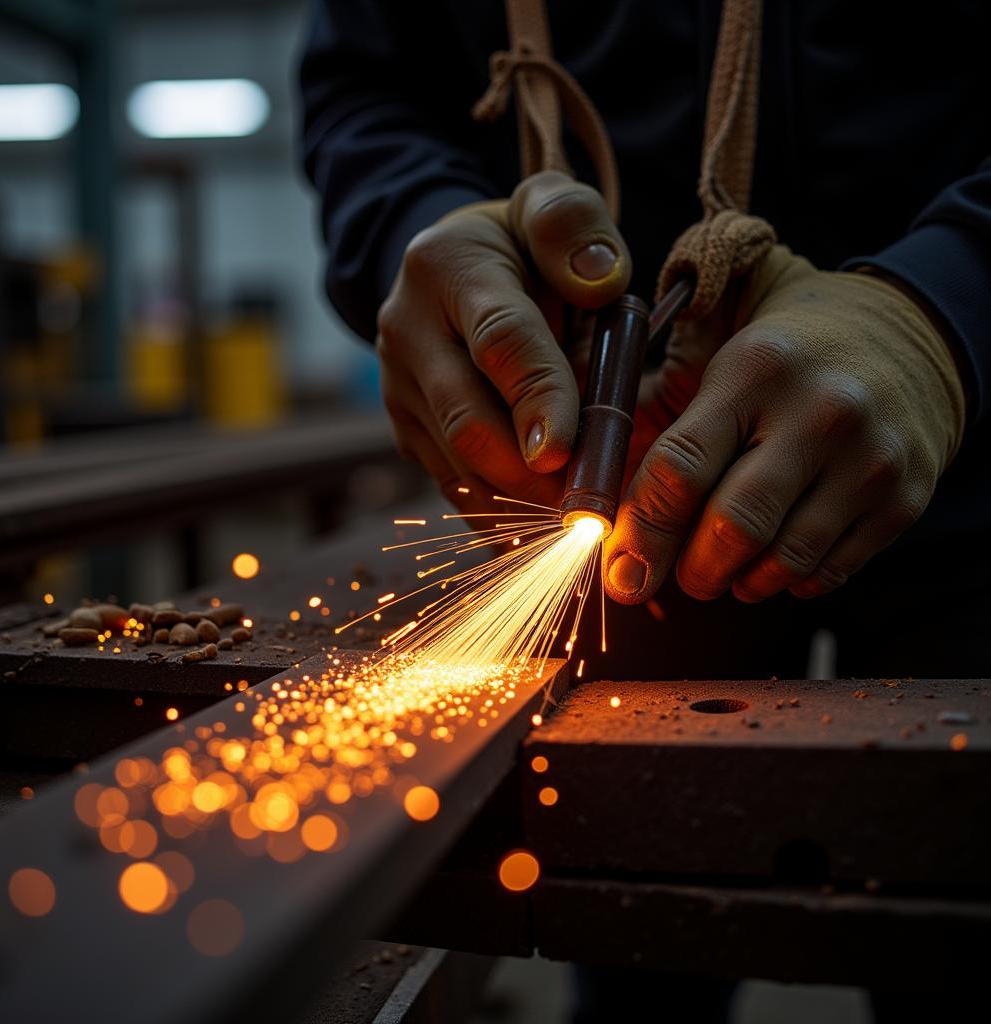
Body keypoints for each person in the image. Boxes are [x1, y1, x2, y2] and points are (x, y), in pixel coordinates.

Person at [300, 3, 988, 1014]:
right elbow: (367, 88)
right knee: (633, 941)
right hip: (628, 484)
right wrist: (421, 226)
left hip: (974, 455)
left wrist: (948, 305)